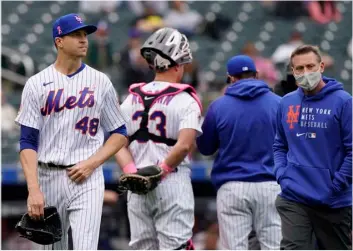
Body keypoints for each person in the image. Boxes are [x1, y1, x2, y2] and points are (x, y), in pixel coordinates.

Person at [15, 13, 129, 250]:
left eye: (85, 35)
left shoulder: (101, 81)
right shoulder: (36, 83)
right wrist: (33, 189)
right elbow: (27, 142)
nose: (83, 40)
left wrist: (92, 163)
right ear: (59, 41)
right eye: (76, 35)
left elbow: (119, 132)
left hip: (86, 178)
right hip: (48, 176)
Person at [114, 27, 202, 250]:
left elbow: (116, 144)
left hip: (136, 186)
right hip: (171, 180)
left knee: (142, 247)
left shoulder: (130, 98)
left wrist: (131, 171)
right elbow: (184, 146)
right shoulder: (186, 100)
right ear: (178, 63)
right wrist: (160, 171)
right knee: (176, 246)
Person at [196, 55, 282, 250]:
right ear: (257, 75)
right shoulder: (278, 103)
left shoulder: (218, 106)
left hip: (233, 186)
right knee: (275, 247)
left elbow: (205, 147)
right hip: (271, 184)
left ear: (230, 78)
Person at [273, 44, 352, 249]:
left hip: (333, 201)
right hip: (294, 196)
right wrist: (282, 174)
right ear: (292, 71)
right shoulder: (286, 103)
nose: (305, 72)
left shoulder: (344, 102)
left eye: (310, 66)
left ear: (322, 67)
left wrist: (336, 186)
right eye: (299, 68)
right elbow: (279, 145)